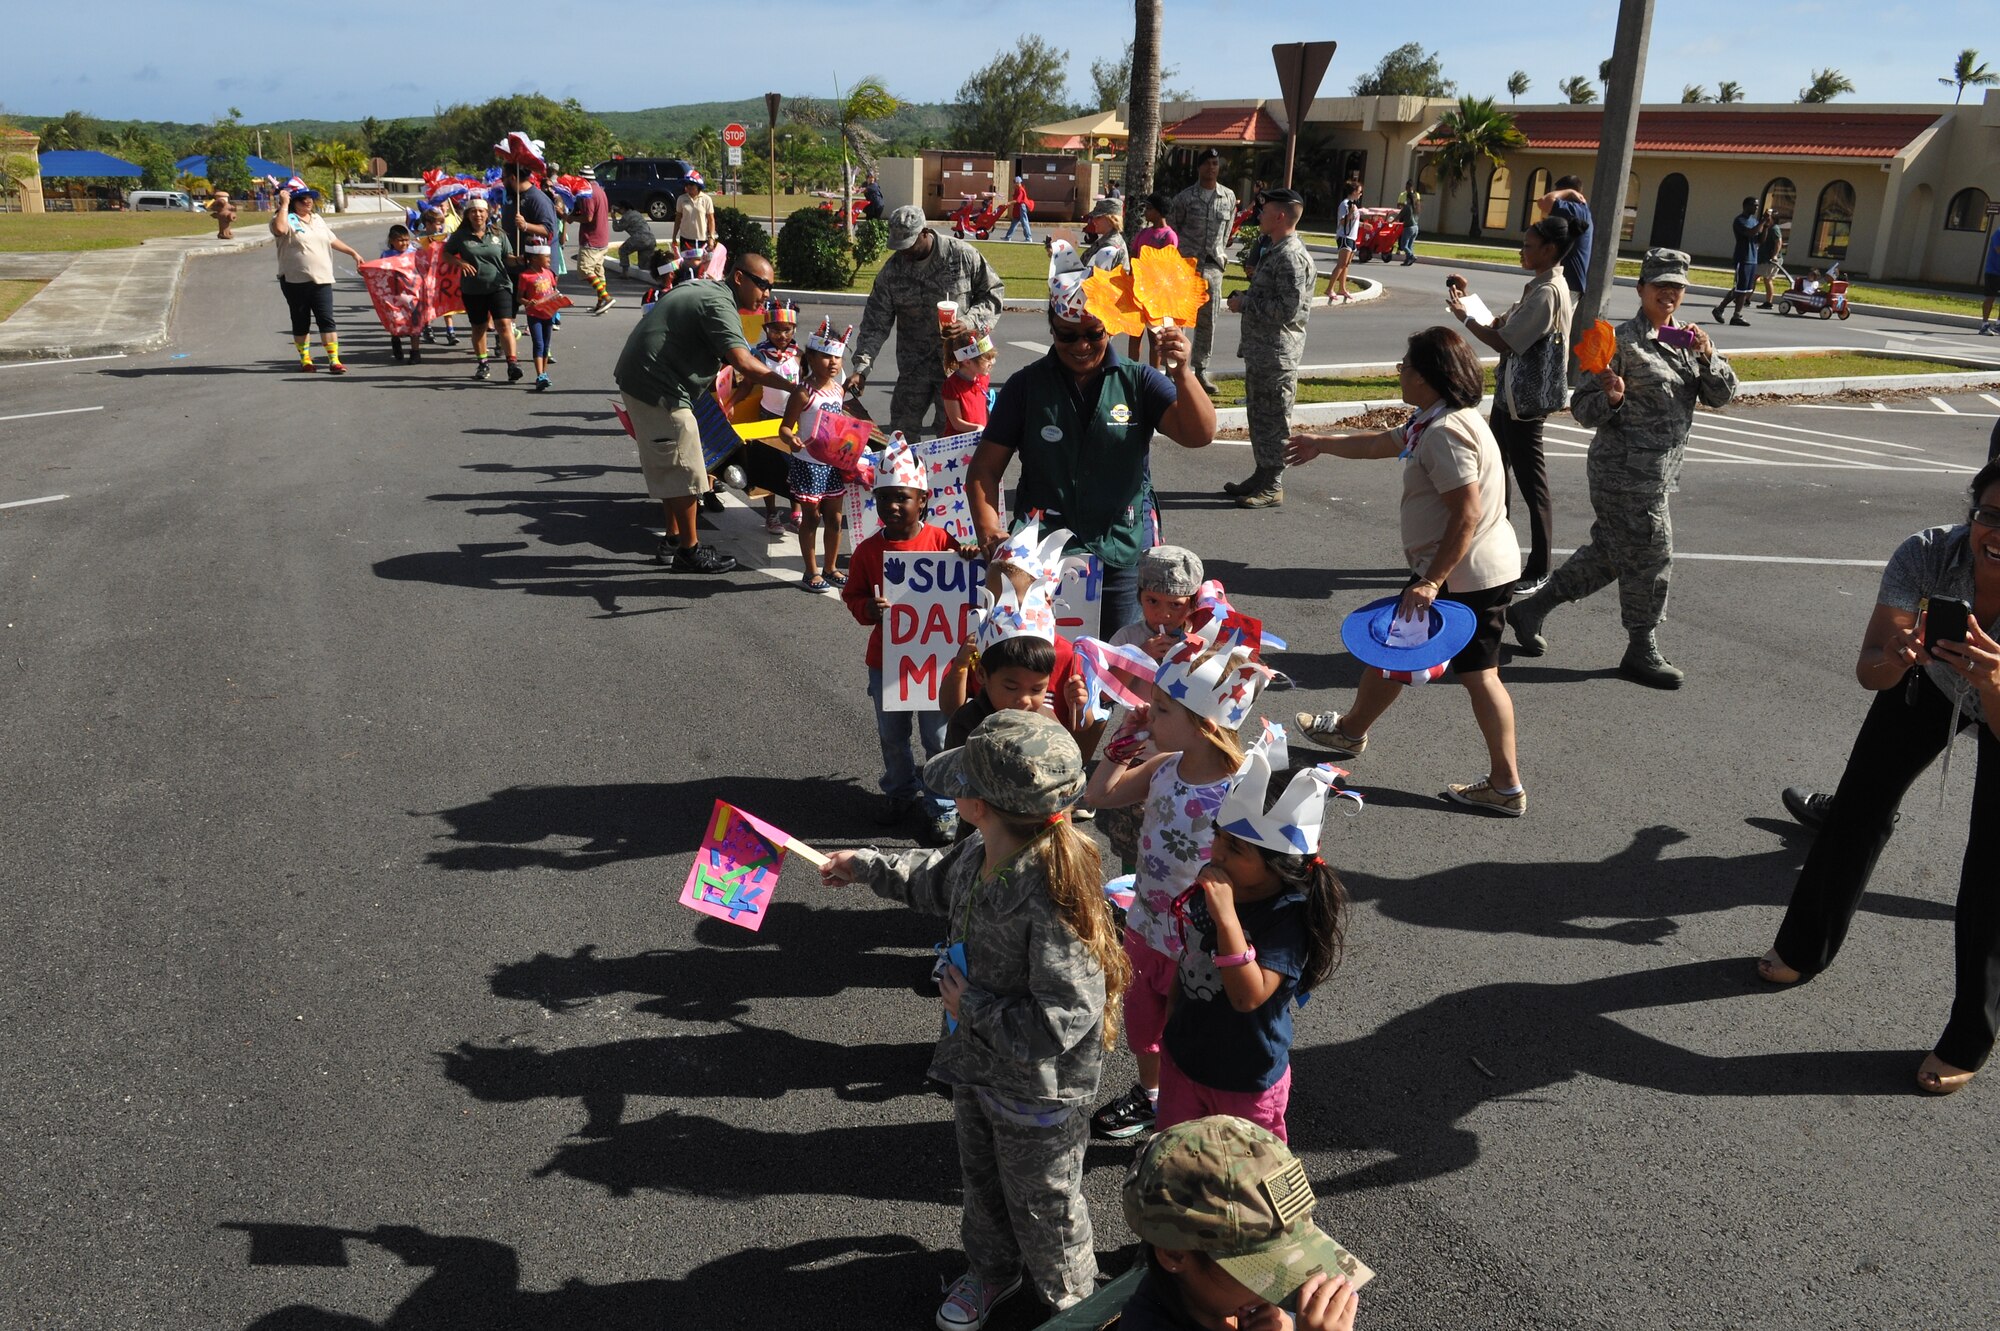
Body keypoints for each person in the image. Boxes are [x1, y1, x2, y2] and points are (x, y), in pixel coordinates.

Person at [819, 710, 1131, 1328]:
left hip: (1038, 1090)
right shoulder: (983, 847)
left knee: (1046, 1203)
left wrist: (974, 1008)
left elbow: (1063, 1017)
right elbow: (933, 878)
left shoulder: (1053, 892)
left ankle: (1074, 1304)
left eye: (961, 783)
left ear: (980, 804)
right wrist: (866, 865)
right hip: (978, 1065)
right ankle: (992, 1271)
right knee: (982, 1182)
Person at [1757, 458, 2000, 1097]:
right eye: (1990, 515)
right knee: (1857, 806)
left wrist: (1993, 680)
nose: (1998, 533)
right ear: (1972, 513)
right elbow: (1870, 670)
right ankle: (1805, 946)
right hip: (1933, 680)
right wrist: (1896, 657)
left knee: (1991, 866)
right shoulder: (1926, 554)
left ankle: (1971, 1033)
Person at [1284, 326, 1529, 815]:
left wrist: (1430, 582)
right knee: (1393, 645)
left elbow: (1466, 514)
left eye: (1406, 365)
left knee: (1480, 676)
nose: (1400, 371)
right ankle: (1351, 730)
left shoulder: (1444, 434)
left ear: (1429, 376)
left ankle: (1505, 786)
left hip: (1462, 575)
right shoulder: (1436, 420)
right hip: (1465, 568)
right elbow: (1383, 442)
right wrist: (1321, 442)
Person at [1506, 248, 1740, 688]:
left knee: (1612, 553)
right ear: (1641, 290)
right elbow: (1582, 407)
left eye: (1677, 286)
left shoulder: (1688, 342)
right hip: (1623, 474)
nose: (1668, 293)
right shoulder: (1619, 343)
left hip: (1660, 473)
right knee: (1653, 554)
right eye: (1660, 286)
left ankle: (1531, 609)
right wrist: (1612, 398)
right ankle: (1641, 647)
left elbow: (1721, 395)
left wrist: (1709, 355)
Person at [1086, 636, 1274, 1141]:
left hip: (1197, 946)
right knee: (1142, 1029)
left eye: (1162, 708)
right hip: (1146, 929)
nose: (1148, 712)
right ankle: (1152, 1098)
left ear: (1205, 725)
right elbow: (1098, 794)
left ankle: (1182, 1114)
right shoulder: (1164, 766)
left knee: (1183, 1037)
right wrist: (1122, 744)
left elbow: (1261, 870)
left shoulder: (1238, 791)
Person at [967, 262, 1217, 637]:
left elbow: (1199, 434)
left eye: (1093, 334)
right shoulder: (1025, 386)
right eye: (1067, 336)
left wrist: (1182, 372)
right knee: (1040, 665)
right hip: (1042, 546)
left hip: (1122, 545)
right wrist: (989, 532)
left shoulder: (1138, 380)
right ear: (1051, 330)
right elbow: (985, 469)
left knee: (1122, 662)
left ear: (1109, 328)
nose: (1081, 346)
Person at [1155, 727, 1348, 1141]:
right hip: (1182, 1062)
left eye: (1236, 849)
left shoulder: (1287, 918)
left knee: (1245, 1181)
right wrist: (1171, 1021)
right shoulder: (1209, 892)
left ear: (1278, 864)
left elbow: (1247, 997)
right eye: (1219, 838)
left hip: (1245, 1082)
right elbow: (1188, 958)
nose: (1217, 854)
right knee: (1179, 1160)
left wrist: (1226, 919)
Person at [613, 251, 795, 573]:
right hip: (657, 386)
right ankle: (689, 551)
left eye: (770, 286)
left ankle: (673, 538)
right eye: (762, 284)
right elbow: (742, 361)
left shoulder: (707, 289)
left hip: (645, 378)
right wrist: (794, 388)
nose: (767, 293)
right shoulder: (720, 304)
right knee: (687, 468)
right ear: (739, 277)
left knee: (672, 462)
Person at [840, 439, 973, 845]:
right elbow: (853, 596)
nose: (892, 507)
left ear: (923, 500)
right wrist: (870, 609)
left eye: (902, 498)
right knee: (892, 734)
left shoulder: (941, 543)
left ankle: (943, 804)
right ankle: (899, 792)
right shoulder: (867, 551)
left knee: (938, 736)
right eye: (883, 500)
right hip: (888, 661)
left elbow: (967, 588)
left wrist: (967, 556)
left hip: (936, 663)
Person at [1119, 1115, 1367, 1331]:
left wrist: (1289, 1325)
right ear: (1174, 1255)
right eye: (1261, 1272)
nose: (1277, 1288)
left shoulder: (1227, 1300)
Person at [1449, 214, 1580, 593]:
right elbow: (1501, 325)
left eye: (1528, 245)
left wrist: (1464, 319)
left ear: (1550, 250)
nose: (1522, 250)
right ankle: (1494, 551)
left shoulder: (1548, 292)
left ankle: (1539, 568)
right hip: (1510, 397)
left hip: (1525, 402)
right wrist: (1469, 300)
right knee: (1494, 473)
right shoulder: (1538, 286)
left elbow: (1504, 341)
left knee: (1531, 484)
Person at [846, 206, 1005, 440]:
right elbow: (875, 323)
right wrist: (861, 368)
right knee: (901, 434)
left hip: (957, 368)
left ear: (925, 232)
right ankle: (908, 476)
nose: (905, 252)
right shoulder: (892, 271)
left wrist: (969, 321)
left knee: (952, 437)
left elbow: (993, 293)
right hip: (914, 366)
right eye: (899, 246)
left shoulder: (961, 255)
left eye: (910, 243)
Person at [1224, 188, 1316, 509]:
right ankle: (1262, 474)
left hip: (1277, 354)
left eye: (1264, 211)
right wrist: (1245, 296)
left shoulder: (1290, 255)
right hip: (1262, 351)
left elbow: (1286, 309)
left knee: (1275, 419)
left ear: (1280, 216)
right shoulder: (1276, 250)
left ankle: (1273, 485)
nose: (1258, 215)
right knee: (1260, 417)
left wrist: (1244, 303)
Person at [776, 318, 852, 593]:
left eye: (838, 357)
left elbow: (840, 425)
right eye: (826, 356)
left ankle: (831, 567)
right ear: (811, 356)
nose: (833, 362)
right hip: (809, 464)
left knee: (835, 519)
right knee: (811, 518)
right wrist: (791, 439)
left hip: (834, 464)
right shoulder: (802, 392)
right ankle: (811, 571)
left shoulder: (838, 390)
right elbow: (784, 427)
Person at [269, 181, 367, 375]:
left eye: (310, 198)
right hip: (295, 280)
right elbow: (279, 230)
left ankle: (334, 360)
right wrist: (284, 205)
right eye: (303, 199)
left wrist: (353, 253)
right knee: (300, 321)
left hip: (321, 279)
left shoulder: (317, 220)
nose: (308, 202)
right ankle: (305, 359)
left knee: (326, 320)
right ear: (293, 201)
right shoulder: (284, 218)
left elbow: (332, 240)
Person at [1167, 149, 1238, 394]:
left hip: (1213, 267)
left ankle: (1200, 370)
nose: (1211, 168)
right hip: (1187, 267)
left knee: (1209, 323)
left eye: (1215, 163)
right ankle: (1174, 369)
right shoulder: (1185, 198)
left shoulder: (1228, 197)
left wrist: (1218, 254)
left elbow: (1227, 230)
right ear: (1199, 168)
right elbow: (1173, 229)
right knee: (1180, 321)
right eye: (1207, 163)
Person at [442, 198, 521, 383]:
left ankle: (512, 364)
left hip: (499, 285)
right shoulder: (460, 236)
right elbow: (446, 254)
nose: (477, 214)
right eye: (473, 211)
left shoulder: (498, 234)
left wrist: (517, 260)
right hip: (473, 288)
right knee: (479, 327)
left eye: (481, 211)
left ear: (488, 213)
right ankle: (483, 363)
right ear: (468, 215)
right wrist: (459, 262)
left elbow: (507, 257)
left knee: (504, 324)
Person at [1128, 194, 1180, 362]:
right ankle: (1132, 371)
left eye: (1149, 209)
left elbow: (1169, 265)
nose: (1146, 213)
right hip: (1137, 291)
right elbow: (1133, 256)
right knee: (1134, 334)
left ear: (1159, 212)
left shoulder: (1169, 236)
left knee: (1154, 338)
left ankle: (1153, 375)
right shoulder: (1143, 232)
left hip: (1156, 295)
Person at [516, 243, 567, 391]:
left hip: (548, 313)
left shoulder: (549, 273)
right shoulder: (525, 276)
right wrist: (528, 302)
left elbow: (554, 291)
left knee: (546, 344)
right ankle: (540, 375)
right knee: (538, 343)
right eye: (546, 257)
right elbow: (519, 297)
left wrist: (562, 300)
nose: (549, 260)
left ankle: (544, 373)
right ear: (534, 259)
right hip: (534, 314)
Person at [569, 165, 615, 315]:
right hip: (602, 238)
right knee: (598, 271)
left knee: (585, 269)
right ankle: (601, 303)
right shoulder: (600, 190)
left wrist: (570, 217)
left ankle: (606, 298)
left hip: (592, 239)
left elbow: (588, 217)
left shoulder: (588, 193)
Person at [1537, 176, 1592, 295]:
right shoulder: (1577, 211)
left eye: (1559, 192)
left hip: (1568, 284)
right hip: (1566, 283)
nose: (1558, 196)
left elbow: (1543, 202)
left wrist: (1570, 192)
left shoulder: (1576, 209)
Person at [1713, 196, 1762, 326]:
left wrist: (1766, 226)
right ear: (1746, 206)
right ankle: (1720, 309)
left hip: (1753, 258)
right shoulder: (1740, 220)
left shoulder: (1754, 221)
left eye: (1757, 205)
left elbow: (1759, 239)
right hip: (1743, 258)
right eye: (1754, 205)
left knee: (1745, 290)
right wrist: (1762, 223)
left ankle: (1736, 316)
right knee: (1739, 288)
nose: (1757, 207)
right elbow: (1750, 233)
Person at [941, 327, 998, 434]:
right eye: (988, 360)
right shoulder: (952, 385)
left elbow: (982, 409)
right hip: (960, 442)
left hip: (980, 435)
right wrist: (978, 429)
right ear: (967, 363)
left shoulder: (983, 377)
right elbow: (956, 422)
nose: (993, 362)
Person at [380, 224, 422, 364]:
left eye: (406, 239)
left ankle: (415, 352)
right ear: (392, 241)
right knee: (395, 320)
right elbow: (379, 271)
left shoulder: (414, 252)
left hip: (413, 293)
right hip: (394, 294)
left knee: (415, 322)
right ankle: (395, 339)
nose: (404, 243)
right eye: (400, 240)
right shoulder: (386, 255)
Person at [1327, 180, 1362, 303]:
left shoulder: (1353, 205)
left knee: (1346, 265)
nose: (1360, 194)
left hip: (1352, 237)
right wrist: (1351, 214)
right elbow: (1342, 222)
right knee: (1341, 264)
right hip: (1345, 237)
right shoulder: (1345, 204)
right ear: (1353, 192)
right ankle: (1329, 288)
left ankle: (1342, 288)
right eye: (1359, 192)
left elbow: (1353, 221)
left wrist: (1362, 225)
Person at [1080, 197, 1128, 269]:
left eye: (1098, 217)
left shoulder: (1110, 246)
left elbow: (1096, 276)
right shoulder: (1106, 240)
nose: (1093, 221)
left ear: (1112, 220)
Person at [675, 171, 717, 251]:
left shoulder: (706, 199)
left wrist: (711, 237)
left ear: (698, 186)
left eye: (691, 184)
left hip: (701, 239)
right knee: (686, 263)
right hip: (685, 239)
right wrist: (674, 237)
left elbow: (711, 220)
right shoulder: (681, 199)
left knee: (700, 262)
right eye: (686, 185)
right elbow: (678, 218)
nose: (688, 187)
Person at [615, 206, 657, 278]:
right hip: (651, 239)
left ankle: (625, 273)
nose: (618, 211)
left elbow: (617, 228)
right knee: (643, 265)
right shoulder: (637, 213)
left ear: (623, 208)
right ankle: (659, 271)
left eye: (619, 209)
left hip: (639, 238)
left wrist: (613, 217)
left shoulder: (626, 216)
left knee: (623, 250)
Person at [1755, 211, 1785, 310]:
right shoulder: (1765, 227)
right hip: (1763, 258)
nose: (1766, 218)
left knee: (1766, 279)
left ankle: (1768, 302)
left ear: (1774, 218)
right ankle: (1746, 299)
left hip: (1770, 260)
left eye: (1768, 217)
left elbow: (1778, 242)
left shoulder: (1774, 228)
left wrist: (1775, 255)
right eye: (1765, 216)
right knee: (1757, 277)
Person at [1394, 178, 1421, 265]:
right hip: (1416, 227)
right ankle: (1408, 260)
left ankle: (1411, 256)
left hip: (1408, 227)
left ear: (1408, 199)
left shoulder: (1407, 206)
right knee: (1410, 245)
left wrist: (1392, 222)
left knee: (1403, 245)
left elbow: (1399, 215)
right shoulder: (1415, 206)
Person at [1981, 220, 2000, 335]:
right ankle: (1984, 324)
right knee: (1990, 297)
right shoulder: (1998, 232)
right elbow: (1998, 249)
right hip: (1993, 272)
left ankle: (1998, 325)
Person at [1003, 174, 1034, 243]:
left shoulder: (1020, 190)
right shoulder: (1017, 189)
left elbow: (1018, 200)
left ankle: (1028, 238)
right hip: (1018, 208)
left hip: (1022, 207)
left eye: (1014, 183)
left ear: (1017, 183)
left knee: (1024, 222)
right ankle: (1008, 237)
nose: (1013, 184)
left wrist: (1009, 203)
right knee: (1014, 222)